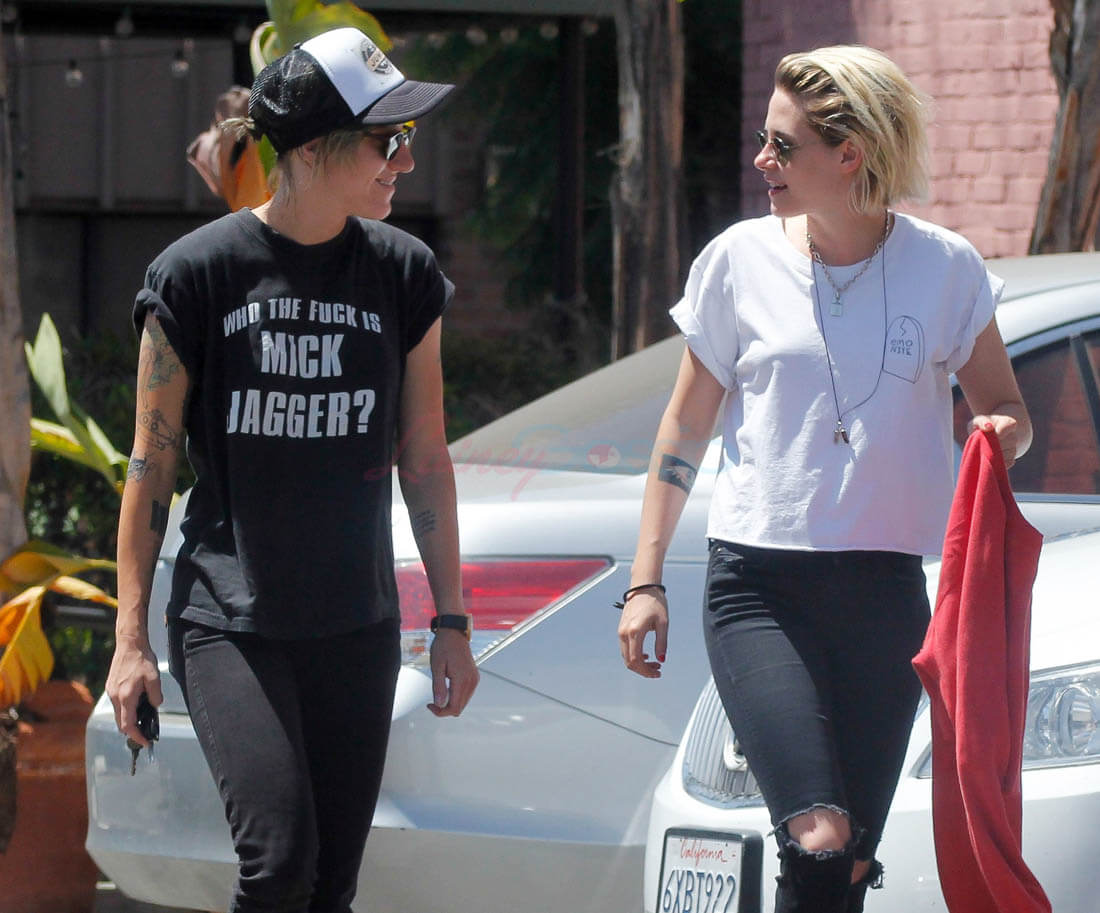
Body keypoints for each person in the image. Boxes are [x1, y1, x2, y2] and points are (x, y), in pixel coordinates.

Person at [617, 45, 1031, 913]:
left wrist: (997, 432)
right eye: (764, 140)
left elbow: (1008, 409)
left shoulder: (945, 267)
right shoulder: (737, 260)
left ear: (850, 154)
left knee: (846, 866)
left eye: (782, 145)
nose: (761, 160)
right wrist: (645, 578)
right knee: (817, 835)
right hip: (758, 590)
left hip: (886, 594)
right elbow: (685, 425)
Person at [106, 27, 479, 913]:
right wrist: (130, 639)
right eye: (386, 141)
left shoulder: (404, 273)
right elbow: (151, 463)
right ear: (310, 150)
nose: (405, 161)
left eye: (406, 139)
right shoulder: (195, 275)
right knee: (278, 863)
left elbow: (425, 456)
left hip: (356, 621)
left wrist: (452, 617)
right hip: (231, 620)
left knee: (329, 888)